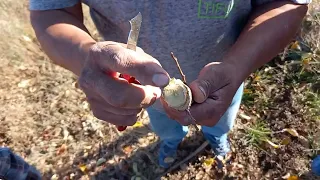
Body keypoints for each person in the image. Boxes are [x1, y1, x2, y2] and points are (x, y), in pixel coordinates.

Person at [28, 0, 311, 169]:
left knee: (221, 121)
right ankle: (171, 142)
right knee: (165, 125)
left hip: (226, 83)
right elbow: (51, 10)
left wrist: (237, 66)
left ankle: (216, 138)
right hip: (145, 92)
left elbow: (289, 4)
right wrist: (85, 55)